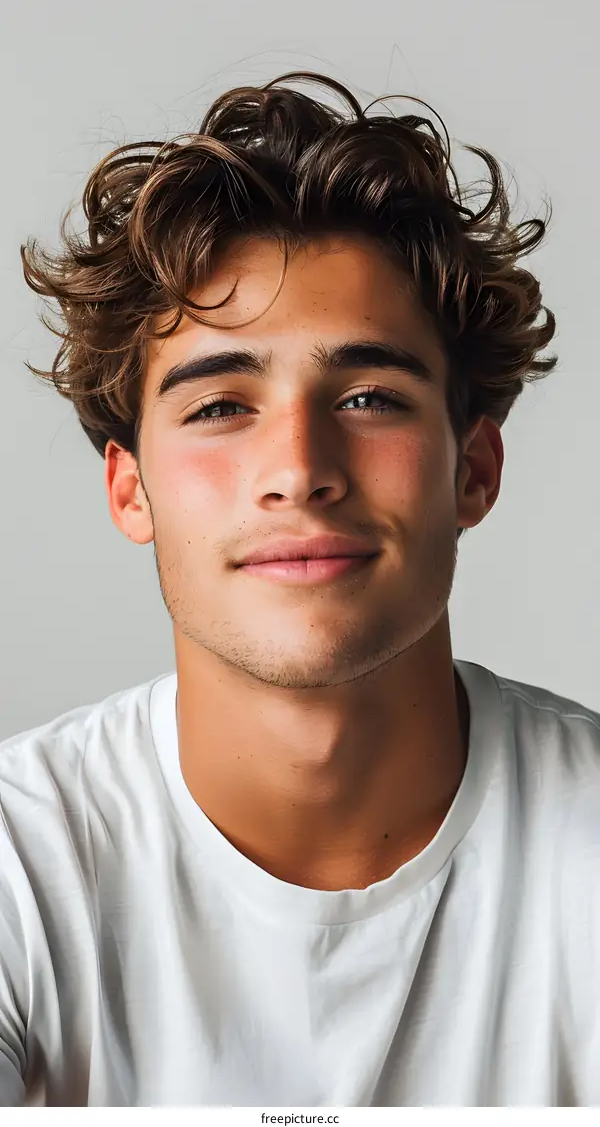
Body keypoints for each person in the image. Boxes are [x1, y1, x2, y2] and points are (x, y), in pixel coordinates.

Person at [2, 71, 598, 1108]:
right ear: (131, 490)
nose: (299, 468)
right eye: (220, 406)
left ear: (474, 469)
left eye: (368, 397)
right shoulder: (21, 862)